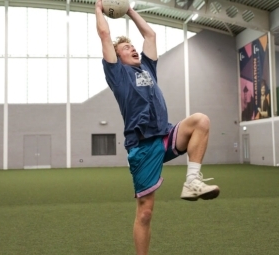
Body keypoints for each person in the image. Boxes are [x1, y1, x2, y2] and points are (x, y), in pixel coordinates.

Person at [95, 1, 220, 254]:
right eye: (125, 47)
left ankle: (192, 180)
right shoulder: (117, 74)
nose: (131, 48)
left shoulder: (148, 67)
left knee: (201, 121)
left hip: (165, 134)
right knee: (145, 212)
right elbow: (105, 35)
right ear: (117, 57)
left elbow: (150, 35)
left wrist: (129, 10)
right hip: (142, 146)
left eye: (131, 45)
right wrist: (99, 9)